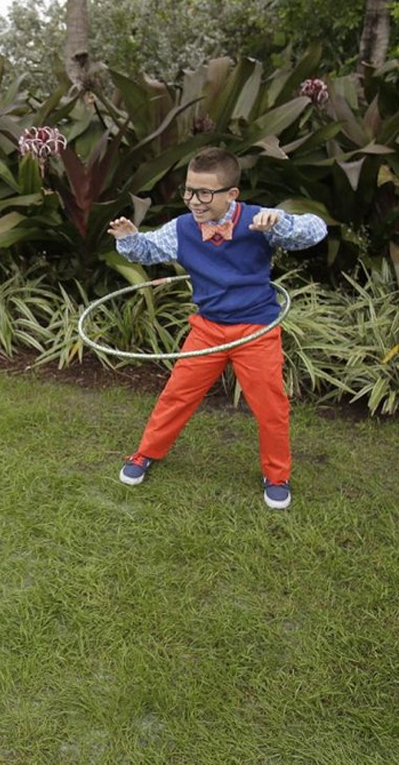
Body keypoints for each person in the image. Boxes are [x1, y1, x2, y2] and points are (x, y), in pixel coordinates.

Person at [107, 147, 327, 510]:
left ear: (231, 194)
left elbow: (315, 230)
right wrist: (130, 237)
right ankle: (145, 453)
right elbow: (147, 251)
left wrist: (282, 223)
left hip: (256, 329)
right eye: (190, 190)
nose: (195, 200)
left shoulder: (259, 220)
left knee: (271, 407)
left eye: (205, 193)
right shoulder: (181, 228)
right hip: (207, 329)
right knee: (177, 395)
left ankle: (276, 476)